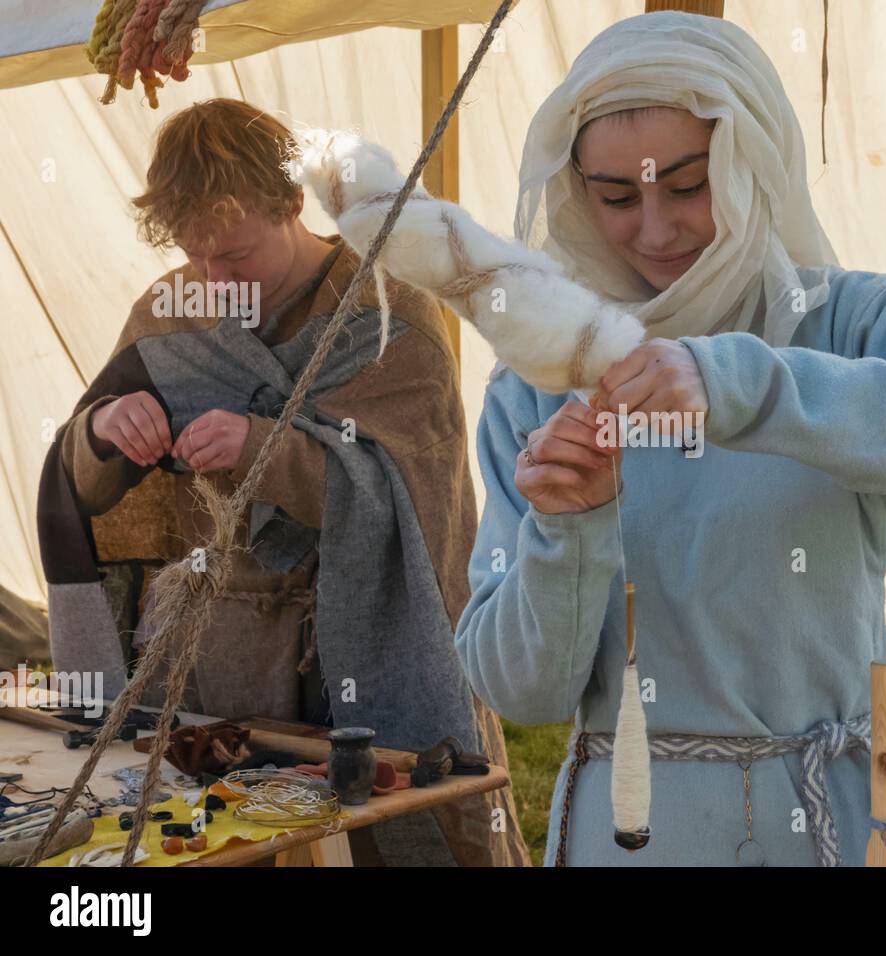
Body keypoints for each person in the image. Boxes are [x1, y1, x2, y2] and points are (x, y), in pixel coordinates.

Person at [453, 12, 886, 867]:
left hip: (833, 827)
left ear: (753, 162)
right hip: (630, 837)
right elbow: (526, 692)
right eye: (617, 197)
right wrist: (570, 530)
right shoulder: (541, 381)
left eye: (689, 186)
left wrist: (750, 386)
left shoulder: (848, 322)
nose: (655, 231)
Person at [37, 98, 529, 866]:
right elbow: (85, 487)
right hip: (219, 670)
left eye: (234, 257)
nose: (213, 279)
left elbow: (415, 491)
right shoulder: (172, 313)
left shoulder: (385, 310)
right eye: (196, 256)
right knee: (222, 846)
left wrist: (266, 447)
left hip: (374, 655)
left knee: (393, 844)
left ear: (294, 202)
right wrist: (105, 431)